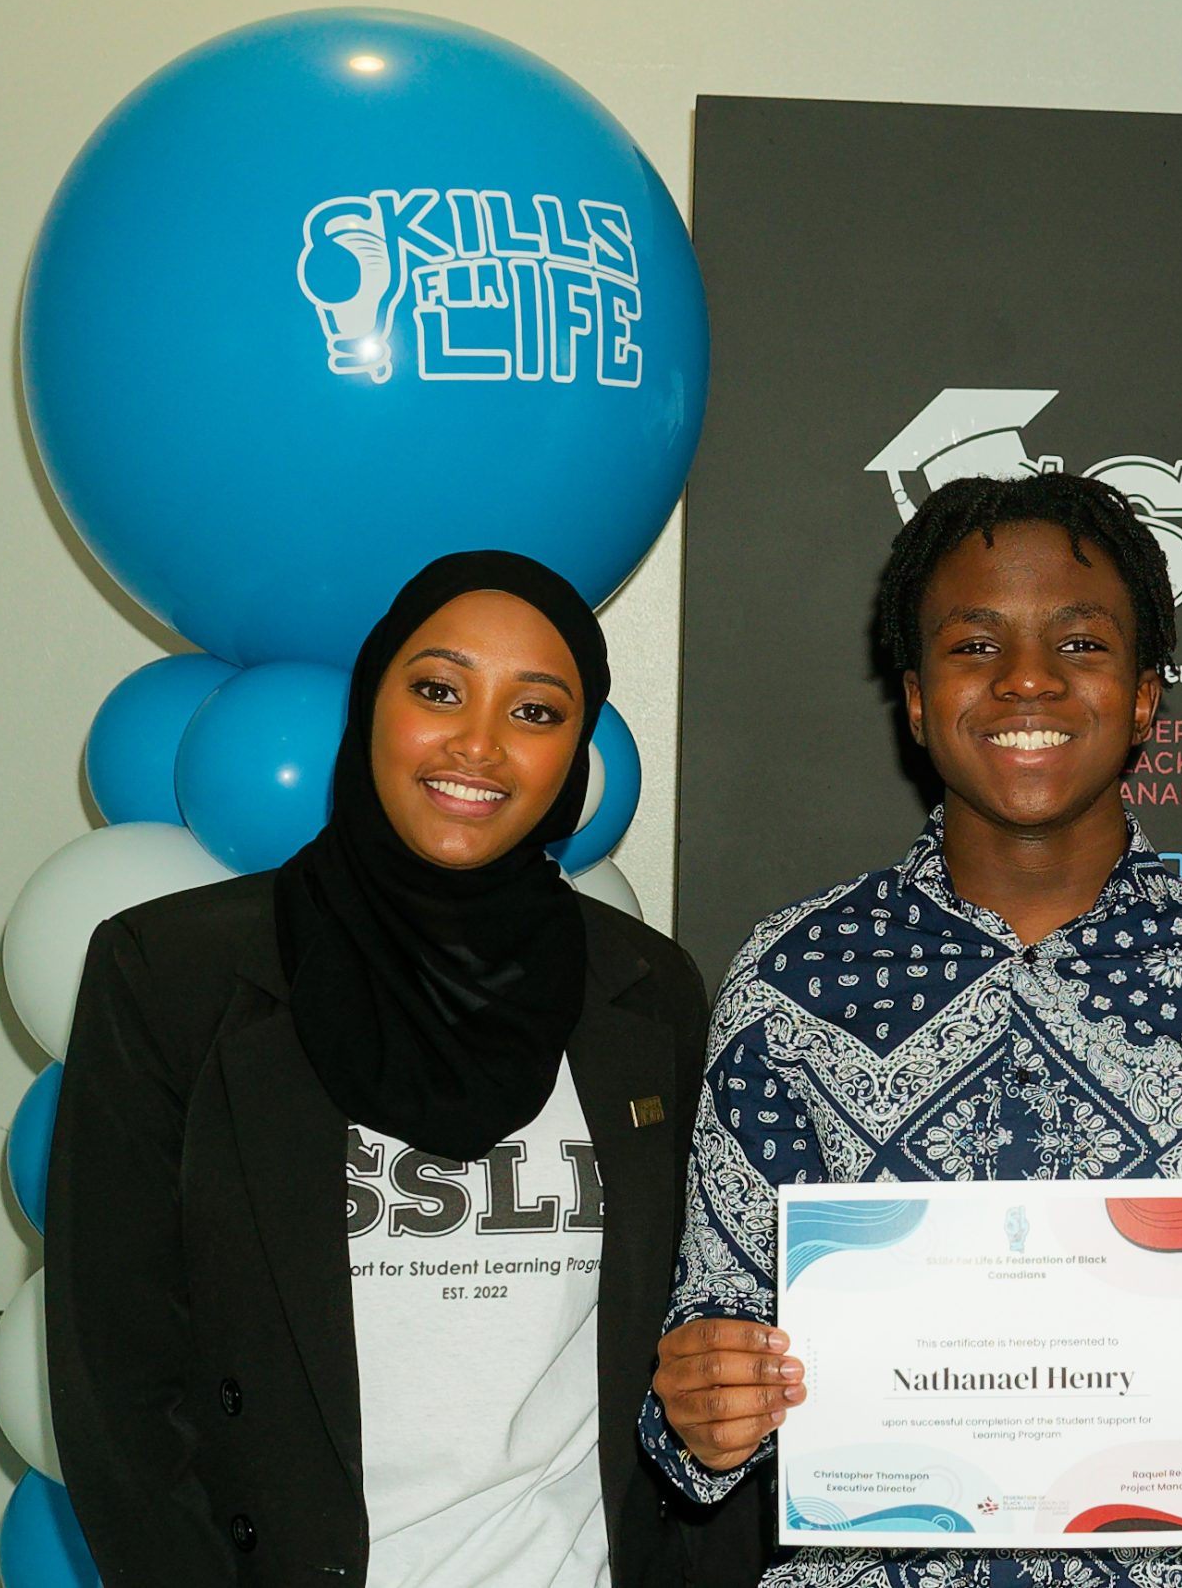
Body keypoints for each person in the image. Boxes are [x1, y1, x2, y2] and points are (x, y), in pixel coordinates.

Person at [638, 473, 1182, 1586]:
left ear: (1145, 697)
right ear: (916, 699)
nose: (1028, 677)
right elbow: (713, 1332)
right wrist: (700, 1408)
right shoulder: (791, 983)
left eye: (1080, 643)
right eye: (976, 645)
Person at [46, 551, 765, 1588]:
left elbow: (691, 1333)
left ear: (573, 756)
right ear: (371, 706)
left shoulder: (645, 989)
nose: (478, 743)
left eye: (535, 711)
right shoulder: (172, 975)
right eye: (437, 690)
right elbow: (118, 1381)